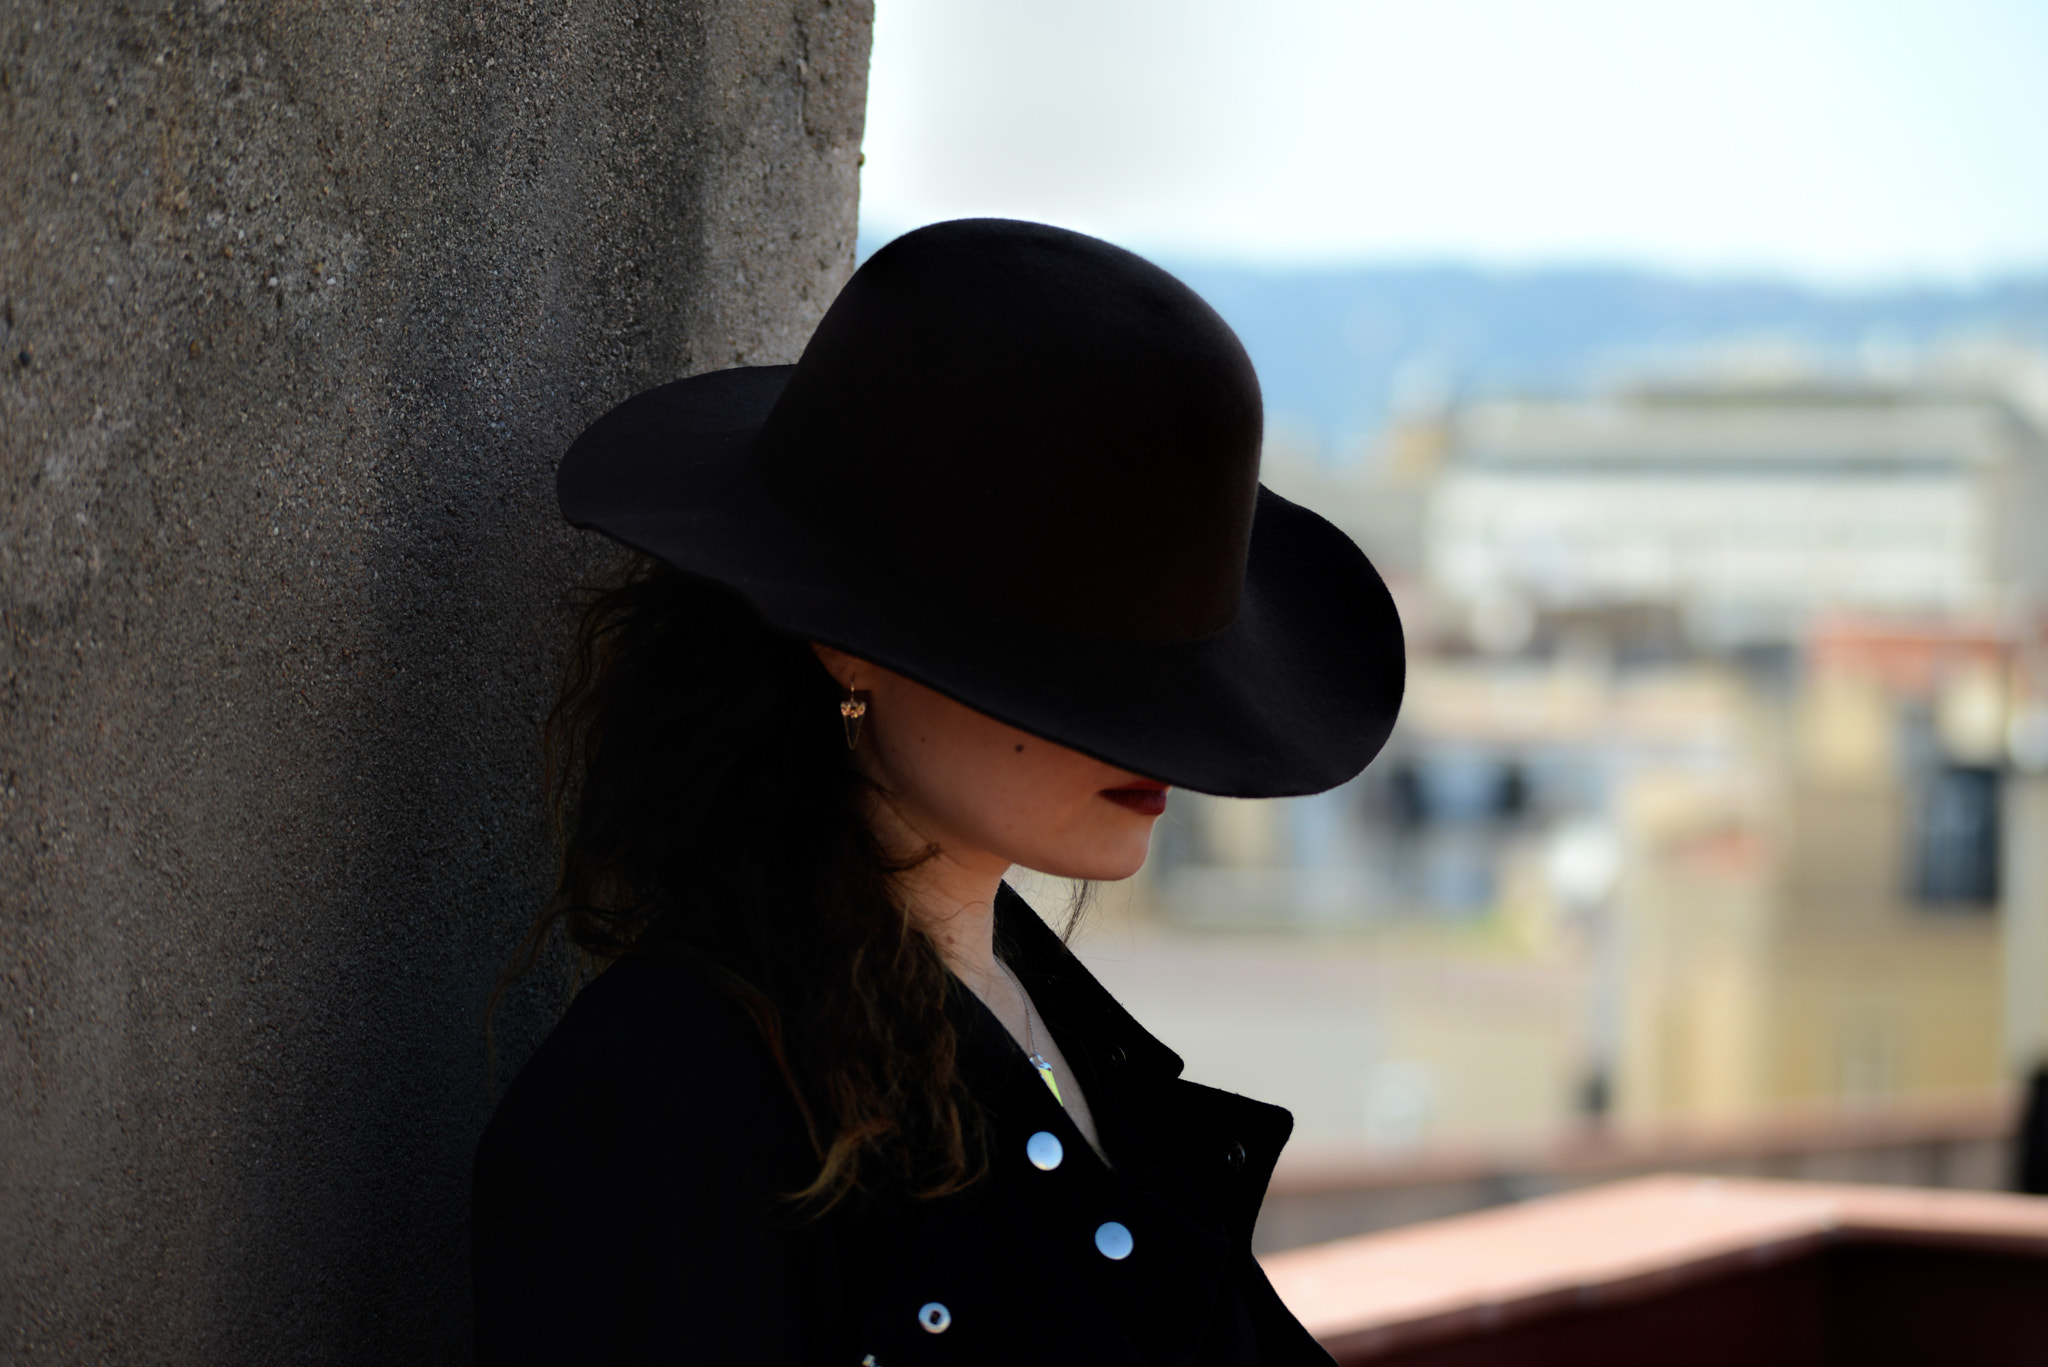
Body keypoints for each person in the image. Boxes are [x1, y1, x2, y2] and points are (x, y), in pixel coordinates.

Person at [472, 218, 1405, 1365]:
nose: (1155, 736)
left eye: (1169, 670)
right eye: (1076, 662)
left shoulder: (1051, 1023)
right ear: (845, 642)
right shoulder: (664, 1110)